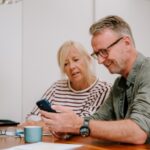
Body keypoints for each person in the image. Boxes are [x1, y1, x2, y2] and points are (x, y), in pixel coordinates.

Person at [40, 15, 150, 144]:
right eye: (97, 54)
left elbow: (138, 132)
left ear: (126, 43)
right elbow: (97, 119)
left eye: (104, 51)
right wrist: (68, 128)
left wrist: (77, 125)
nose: (100, 61)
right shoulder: (119, 84)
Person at [20, 40, 111, 132]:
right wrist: (57, 126)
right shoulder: (57, 87)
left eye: (76, 60)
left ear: (88, 59)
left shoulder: (103, 90)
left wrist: (41, 125)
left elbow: (84, 126)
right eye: (65, 64)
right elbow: (31, 118)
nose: (71, 67)